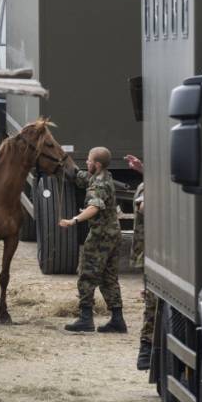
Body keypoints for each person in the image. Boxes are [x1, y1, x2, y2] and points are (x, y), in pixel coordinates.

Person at [58, 147, 126, 333]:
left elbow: (94, 207)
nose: (86, 163)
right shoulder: (104, 177)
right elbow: (83, 178)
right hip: (113, 235)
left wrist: (74, 220)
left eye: (88, 161)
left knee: (87, 275)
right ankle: (117, 320)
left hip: (100, 237)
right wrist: (66, 165)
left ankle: (86, 318)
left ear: (97, 164)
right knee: (109, 278)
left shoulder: (99, 185)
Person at [125, 154, 156, 370]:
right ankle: (145, 349)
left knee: (152, 303)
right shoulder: (148, 185)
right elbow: (143, 208)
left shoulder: (151, 185)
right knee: (151, 303)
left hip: (153, 254)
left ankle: (147, 349)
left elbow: (144, 208)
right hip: (149, 253)